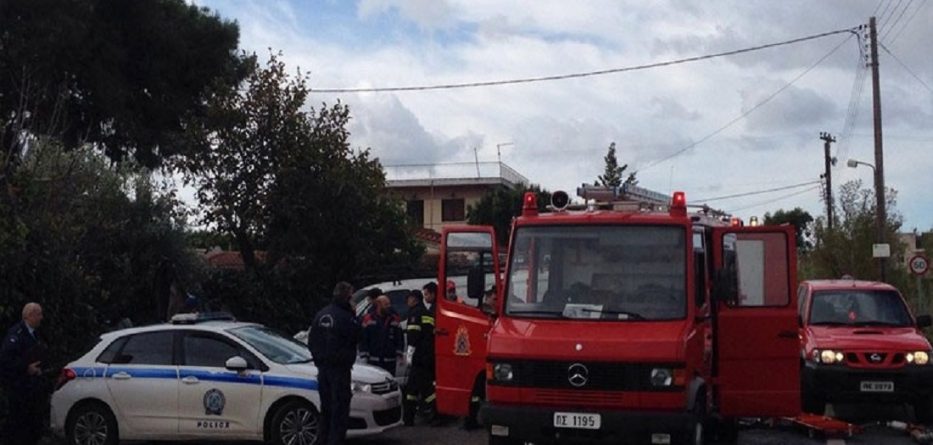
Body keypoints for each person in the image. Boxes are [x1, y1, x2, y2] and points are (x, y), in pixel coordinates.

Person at [308, 282, 361, 445]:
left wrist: (320, 360)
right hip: (340, 370)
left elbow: (312, 341)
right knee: (339, 410)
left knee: (326, 409)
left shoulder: (321, 315)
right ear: (347, 297)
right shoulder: (346, 317)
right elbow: (357, 337)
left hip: (323, 369)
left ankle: (323, 440)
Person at [1, 303, 49, 445]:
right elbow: (6, 360)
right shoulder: (16, 334)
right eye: (38, 314)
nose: (41, 318)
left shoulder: (35, 334)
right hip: (19, 388)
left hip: (32, 388)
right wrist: (25, 368)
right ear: (29, 315)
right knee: (18, 425)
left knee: (32, 425)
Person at [403, 288, 436, 426]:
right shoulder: (427, 313)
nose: (407, 302)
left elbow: (413, 338)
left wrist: (409, 357)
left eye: (409, 299)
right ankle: (437, 413)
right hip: (428, 356)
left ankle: (409, 418)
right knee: (424, 387)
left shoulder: (415, 314)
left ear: (414, 299)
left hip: (418, 358)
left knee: (413, 389)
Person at [359, 295, 404, 374]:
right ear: (379, 304)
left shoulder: (394, 319)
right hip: (373, 360)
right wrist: (364, 356)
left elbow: (400, 338)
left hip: (390, 360)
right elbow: (363, 339)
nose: (389, 307)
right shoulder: (368, 319)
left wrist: (399, 354)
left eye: (389, 304)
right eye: (386, 304)